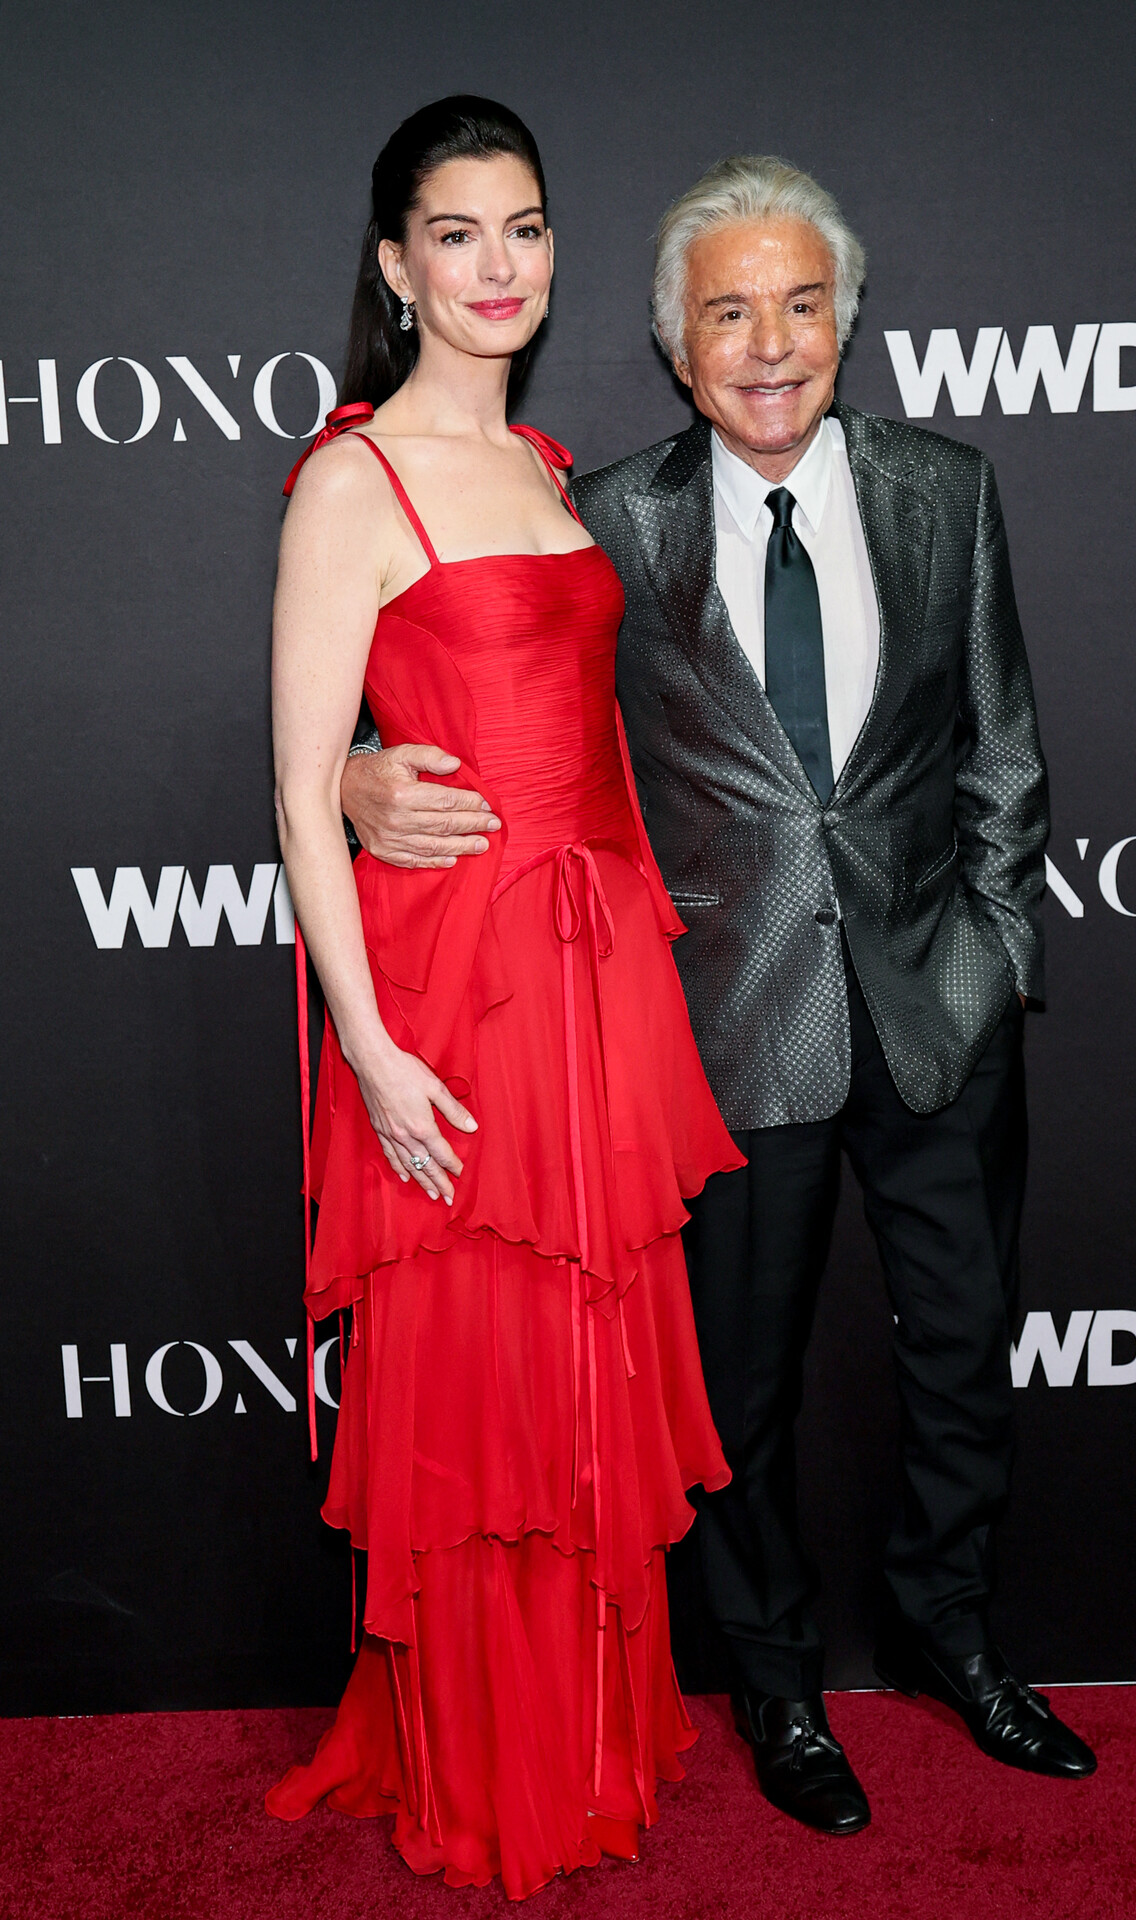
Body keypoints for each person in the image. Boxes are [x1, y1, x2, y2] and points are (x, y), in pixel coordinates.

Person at [342, 154, 1098, 1836]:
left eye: (802, 306)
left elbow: (1005, 751)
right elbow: (489, 702)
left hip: (938, 1009)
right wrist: (350, 776)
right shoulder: (604, 521)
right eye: (731, 314)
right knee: (735, 1393)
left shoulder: (945, 489)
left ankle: (951, 1627)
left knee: (965, 1352)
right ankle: (775, 1679)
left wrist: (992, 961)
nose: (770, 346)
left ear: (846, 323)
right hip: (718, 1030)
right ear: (677, 348)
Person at [266, 99, 743, 1898]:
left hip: (594, 974)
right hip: (456, 1000)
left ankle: (589, 1730)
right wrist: (370, 1050)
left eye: (525, 229)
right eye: (455, 234)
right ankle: (493, 1765)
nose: (497, 266)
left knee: (585, 1370)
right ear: (396, 267)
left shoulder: (547, 466)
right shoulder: (352, 479)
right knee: (484, 1381)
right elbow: (300, 793)